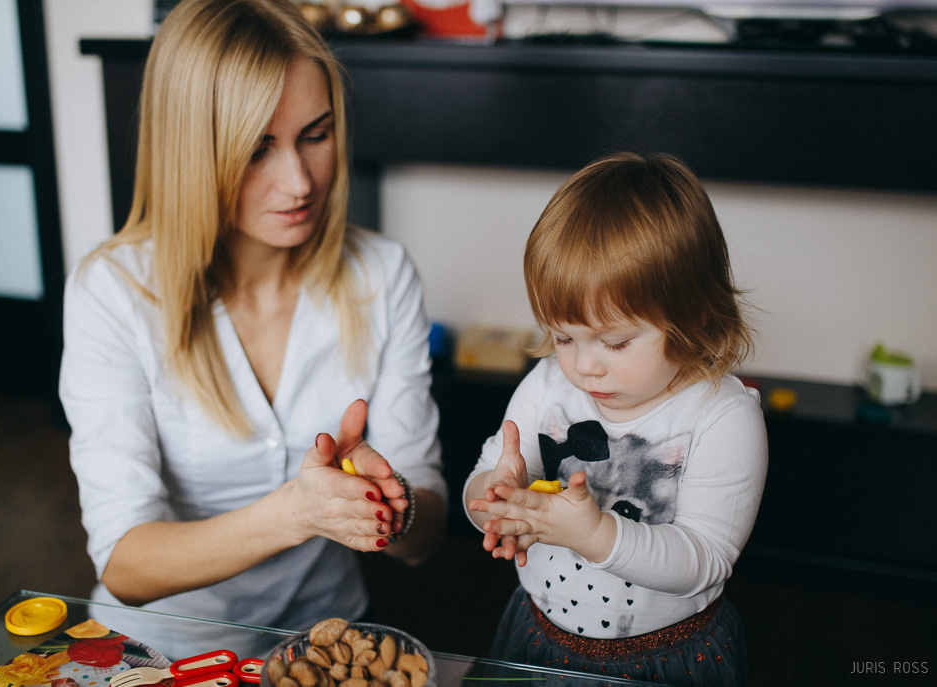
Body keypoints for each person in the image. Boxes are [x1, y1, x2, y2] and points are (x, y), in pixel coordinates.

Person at [59, 0, 446, 655]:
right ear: (189, 150)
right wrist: (298, 510)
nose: (298, 182)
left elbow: (425, 537)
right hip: (161, 652)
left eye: (315, 135)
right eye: (256, 148)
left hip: (326, 641)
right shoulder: (115, 290)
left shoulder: (382, 274)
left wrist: (392, 503)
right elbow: (124, 565)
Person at [464, 152, 767, 685]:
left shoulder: (722, 417)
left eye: (616, 341)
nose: (583, 365)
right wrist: (493, 495)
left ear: (693, 315)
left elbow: (705, 559)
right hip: (538, 636)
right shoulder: (546, 385)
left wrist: (597, 534)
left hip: (664, 658)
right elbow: (487, 475)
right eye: (563, 337)